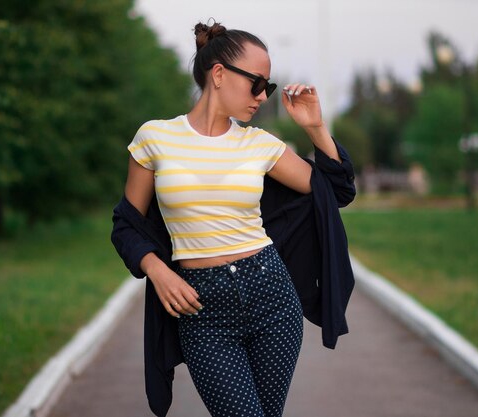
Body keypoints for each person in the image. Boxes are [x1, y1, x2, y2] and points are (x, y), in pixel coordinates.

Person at [113, 20, 356, 417]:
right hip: (202, 312)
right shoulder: (154, 138)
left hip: (272, 299)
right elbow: (126, 224)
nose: (262, 96)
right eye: (257, 83)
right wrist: (157, 270)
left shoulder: (259, 144)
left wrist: (315, 128)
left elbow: (336, 192)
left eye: (269, 87)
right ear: (220, 74)